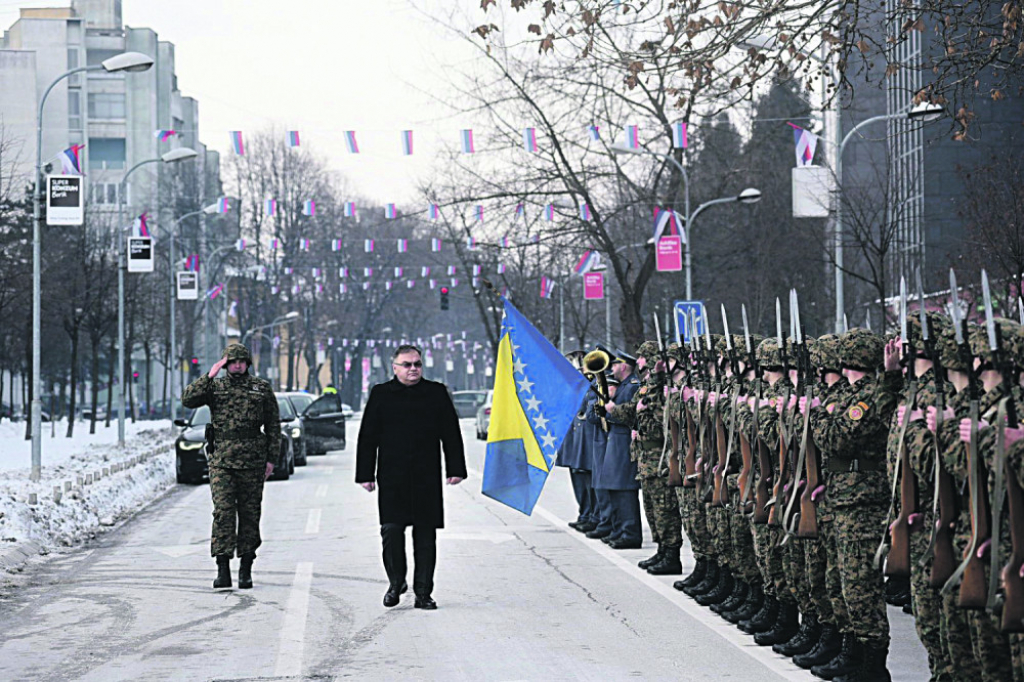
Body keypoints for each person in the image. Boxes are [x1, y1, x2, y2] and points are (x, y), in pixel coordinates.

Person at [355, 344, 467, 610]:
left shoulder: (435, 393)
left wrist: (456, 468)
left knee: (425, 535)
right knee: (391, 531)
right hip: (392, 476)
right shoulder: (381, 394)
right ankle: (396, 582)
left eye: (417, 364)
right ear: (394, 368)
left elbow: (451, 432)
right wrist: (364, 474)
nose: (413, 369)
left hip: (426, 475)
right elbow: (367, 436)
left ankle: (423, 593)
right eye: (407, 365)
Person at [181, 343, 280, 590]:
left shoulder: (261, 388)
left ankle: (246, 567)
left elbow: (273, 426)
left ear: (248, 363)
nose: (237, 365)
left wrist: (271, 459)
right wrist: (210, 374)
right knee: (223, 513)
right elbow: (188, 399)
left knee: (249, 514)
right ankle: (222, 567)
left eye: (241, 361)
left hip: (252, 460)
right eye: (232, 361)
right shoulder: (215, 387)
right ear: (226, 364)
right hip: (222, 460)